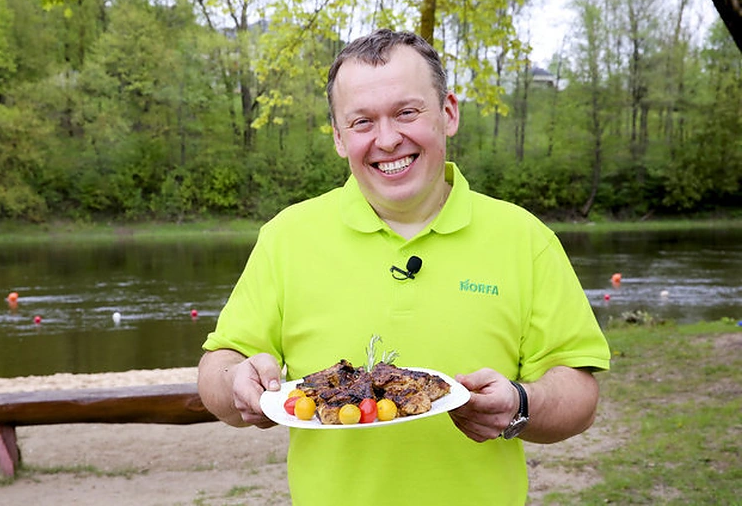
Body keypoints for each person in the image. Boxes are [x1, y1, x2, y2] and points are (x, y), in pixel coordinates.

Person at [197, 28, 611, 505]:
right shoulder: (286, 237)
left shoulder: (526, 239)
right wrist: (237, 383)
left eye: (407, 113)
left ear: (448, 113)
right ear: (337, 136)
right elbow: (218, 366)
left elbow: (580, 396)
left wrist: (521, 403)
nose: (388, 140)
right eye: (362, 122)